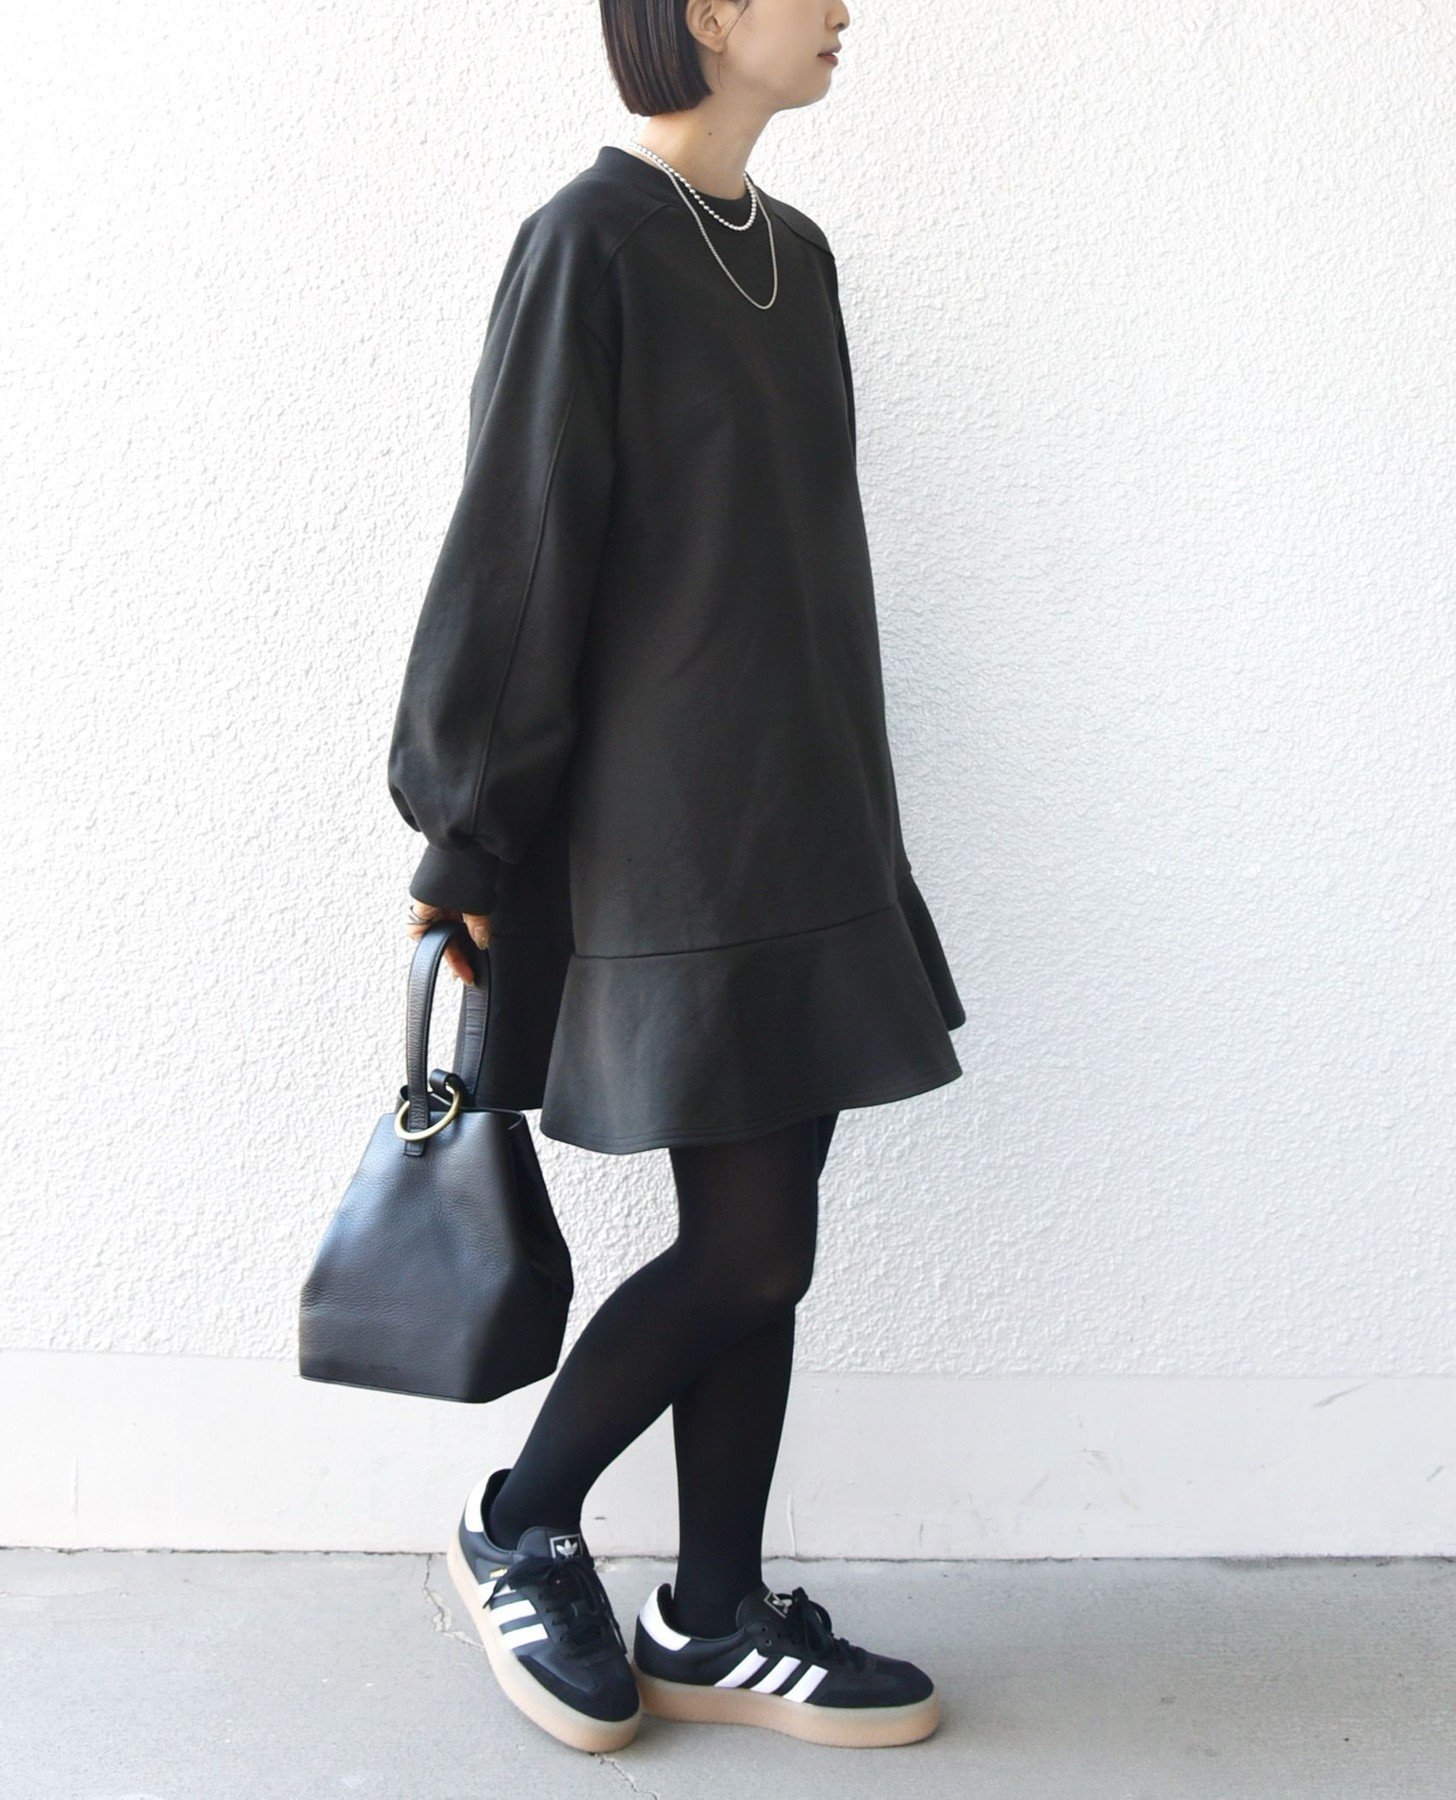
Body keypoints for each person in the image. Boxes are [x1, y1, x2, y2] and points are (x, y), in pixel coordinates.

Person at [386, 0, 966, 1757]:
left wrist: (861, 812)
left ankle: (713, 1613)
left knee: (763, 1248)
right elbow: (521, 541)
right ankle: (519, 1517)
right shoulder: (591, 242)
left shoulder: (797, 254)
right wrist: (468, 828)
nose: (846, 9)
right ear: (707, 12)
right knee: (750, 1246)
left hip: (813, 816)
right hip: (675, 837)